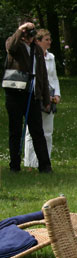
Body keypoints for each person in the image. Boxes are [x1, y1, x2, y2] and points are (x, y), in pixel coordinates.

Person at [3, 22, 52, 173]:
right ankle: (14, 166)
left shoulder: (36, 49)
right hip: (15, 93)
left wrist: (46, 98)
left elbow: (42, 74)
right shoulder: (14, 44)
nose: (30, 37)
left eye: (31, 34)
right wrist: (19, 31)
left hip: (33, 94)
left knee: (38, 131)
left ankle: (45, 166)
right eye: (27, 33)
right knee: (15, 130)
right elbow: (10, 47)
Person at [24, 29, 60, 169]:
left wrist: (57, 94)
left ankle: (46, 159)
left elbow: (54, 77)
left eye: (50, 39)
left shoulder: (51, 57)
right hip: (37, 95)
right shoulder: (32, 56)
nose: (49, 42)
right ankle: (30, 161)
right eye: (46, 39)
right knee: (32, 131)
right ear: (37, 41)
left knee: (48, 131)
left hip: (51, 95)